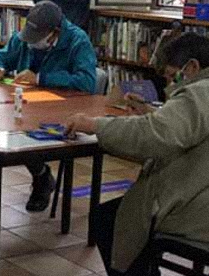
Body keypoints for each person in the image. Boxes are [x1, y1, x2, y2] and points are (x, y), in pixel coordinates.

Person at [66, 32, 209, 276]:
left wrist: (95, 124)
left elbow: (158, 135)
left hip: (198, 212)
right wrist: (150, 113)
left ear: (192, 66)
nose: (168, 86)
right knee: (114, 217)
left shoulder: (201, 91)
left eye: (170, 76)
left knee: (111, 221)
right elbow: (185, 130)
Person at [0, 0, 96, 212]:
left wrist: (40, 78)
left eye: (38, 39)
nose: (32, 43)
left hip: (61, 111)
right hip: (25, 104)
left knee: (21, 131)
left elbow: (87, 82)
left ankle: (41, 177)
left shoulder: (78, 41)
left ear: (55, 32)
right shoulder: (25, 38)